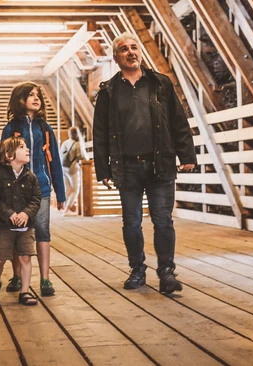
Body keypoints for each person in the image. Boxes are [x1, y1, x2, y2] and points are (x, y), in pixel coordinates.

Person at [92, 33, 196, 295]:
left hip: (159, 164)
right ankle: (137, 269)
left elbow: (178, 121)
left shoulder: (160, 83)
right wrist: (103, 170)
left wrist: (187, 156)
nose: (130, 52)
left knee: (163, 221)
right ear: (116, 58)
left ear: (139, 52)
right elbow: (100, 134)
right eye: (124, 49)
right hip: (127, 168)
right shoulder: (108, 91)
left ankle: (166, 272)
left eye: (134, 47)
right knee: (132, 222)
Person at [1, 82, 66, 297]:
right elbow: (2, 161)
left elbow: (54, 160)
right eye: (31, 95)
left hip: (42, 188)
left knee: (42, 231)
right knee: (18, 231)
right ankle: (17, 275)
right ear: (20, 99)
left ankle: (45, 279)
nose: (36, 98)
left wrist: (61, 191)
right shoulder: (10, 129)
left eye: (38, 95)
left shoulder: (45, 129)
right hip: (16, 189)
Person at [0, 136, 43, 307]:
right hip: (5, 226)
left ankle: (24, 290)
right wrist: (9, 214)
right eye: (22, 147)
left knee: (25, 257)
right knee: (0, 258)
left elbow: (36, 198)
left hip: (26, 227)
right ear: (9, 155)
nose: (27, 150)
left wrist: (26, 214)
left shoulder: (30, 176)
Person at [59, 127, 85, 215]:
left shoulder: (65, 143)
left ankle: (65, 208)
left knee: (66, 189)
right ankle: (67, 209)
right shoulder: (77, 144)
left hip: (63, 168)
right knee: (75, 190)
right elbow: (80, 157)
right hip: (72, 169)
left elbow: (60, 155)